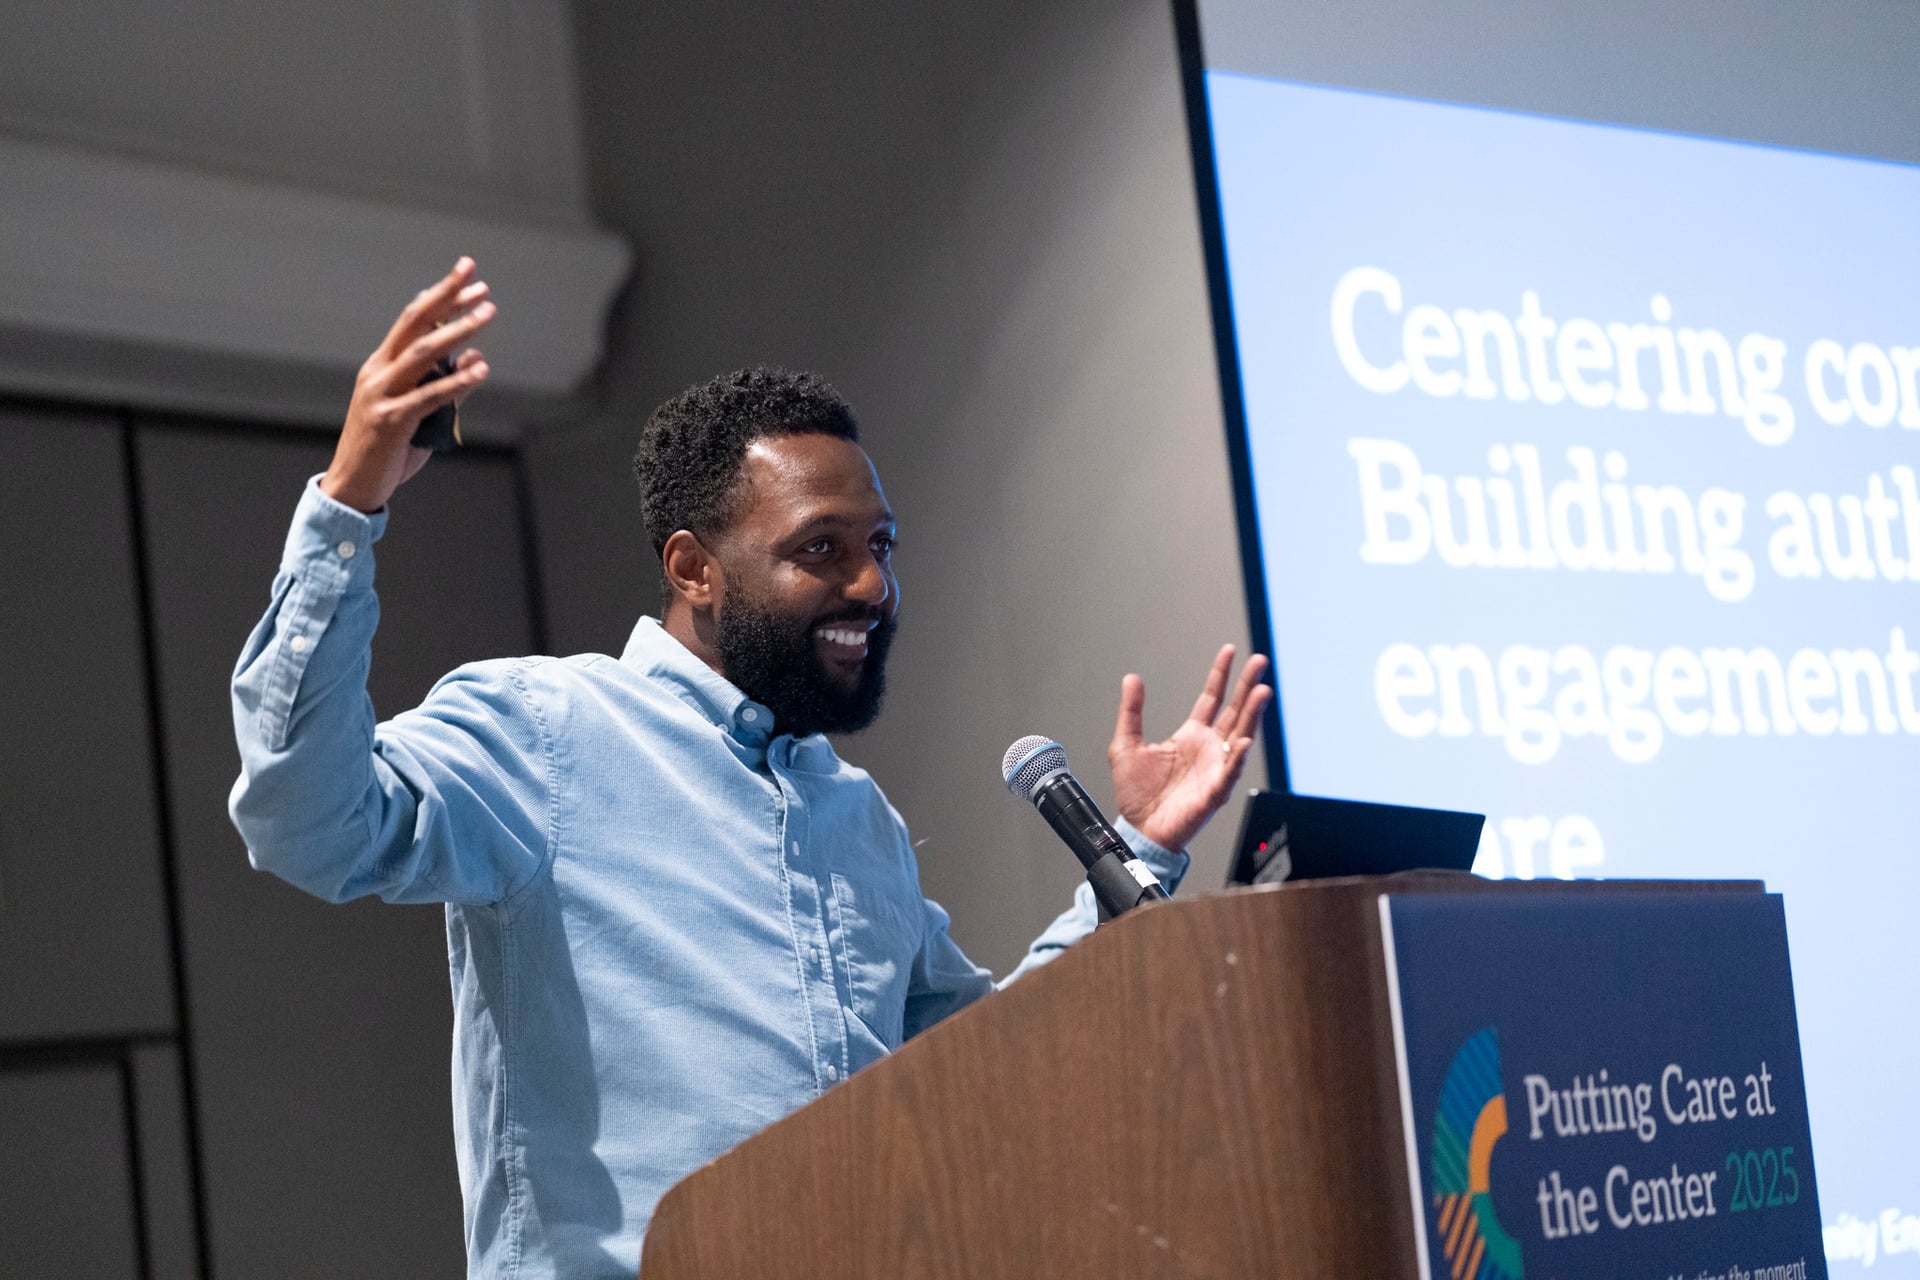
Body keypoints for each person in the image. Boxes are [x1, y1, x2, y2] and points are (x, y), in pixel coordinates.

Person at [229, 258, 1270, 1279]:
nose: (875, 583)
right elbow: (306, 822)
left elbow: (988, 1064)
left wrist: (1138, 846)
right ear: (693, 567)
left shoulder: (851, 814)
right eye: (823, 549)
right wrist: (349, 503)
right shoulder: (545, 728)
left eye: (884, 544)